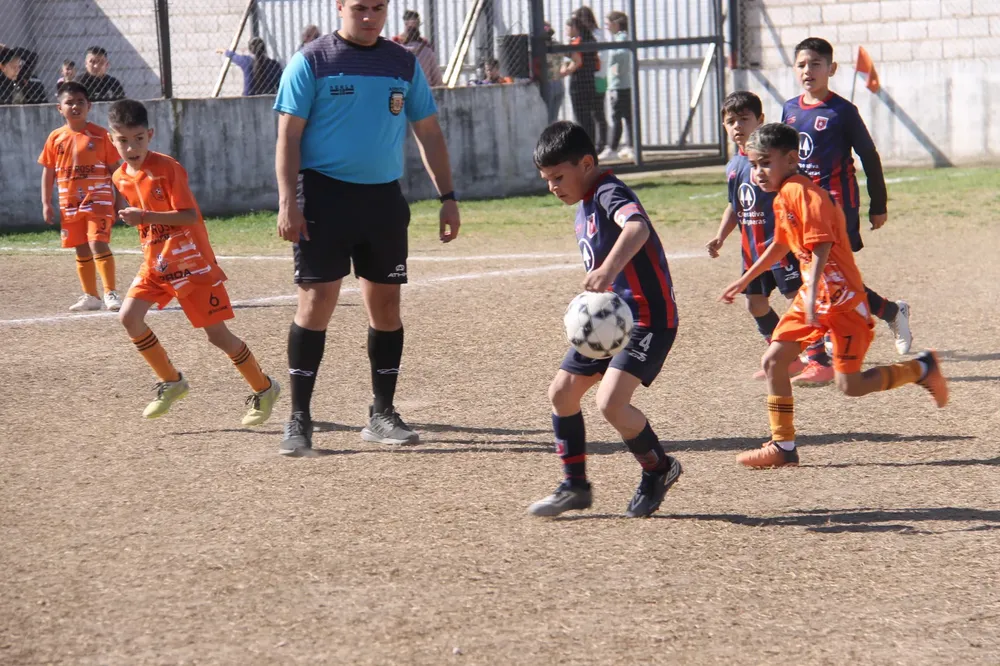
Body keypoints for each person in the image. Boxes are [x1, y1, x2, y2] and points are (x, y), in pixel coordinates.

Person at [273, 0, 461, 456]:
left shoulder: (403, 62)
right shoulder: (311, 60)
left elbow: (429, 133)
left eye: (378, 7)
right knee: (317, 302)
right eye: (359, 7)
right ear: (340, 6)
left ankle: (382, 413)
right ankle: (299, 418)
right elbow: (289, 136)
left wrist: (448, 197)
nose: (369, 15)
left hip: (382, 199)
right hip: (322, 196)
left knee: (387, 305)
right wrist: (286, 203)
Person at [719, 123, 948, 468]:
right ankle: (783, 446)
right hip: (815, 297)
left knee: (851, 386)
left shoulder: (800, 191)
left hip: (842, 301)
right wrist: (746, 278)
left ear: (792, 159)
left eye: (765, 162)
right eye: (753, 164)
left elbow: (822, 241)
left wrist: (810, 299)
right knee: (773, 361)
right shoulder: (783, 195)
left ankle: (921, 368)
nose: (758, 172)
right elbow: (782, 244)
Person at [528, 121, 681, 518]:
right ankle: (574, 485)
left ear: (587, 164)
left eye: (559, 176)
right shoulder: (583, 203)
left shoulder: (609, 191)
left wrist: (609, 270)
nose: (553, 187)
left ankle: (659, 468)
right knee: (562, 393)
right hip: (610, 321)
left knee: (611, 402)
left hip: (648, 318)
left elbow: (637, 227)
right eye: (547, 179)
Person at [107, 99, 281, 423]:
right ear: (111, 139)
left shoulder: (167, 168)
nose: (132, 147)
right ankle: (172, 382)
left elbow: (188, 215)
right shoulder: (120, 177)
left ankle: (265, 387)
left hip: (190, 264)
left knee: (218, 336)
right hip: (156, 263)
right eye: (123, 140)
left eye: (139, 138)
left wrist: (143, 215)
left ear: (151, 134)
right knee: (129, 317)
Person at [781, 37, 911, 387]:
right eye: (802, 65)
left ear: (831, 69)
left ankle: (822, 352)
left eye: (816, 64)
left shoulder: (842, 112)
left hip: (839, 210)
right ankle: (886, 312)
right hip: (804, 212)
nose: (808, 70)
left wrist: (878, 204)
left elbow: (869, 157)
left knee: (831, 276)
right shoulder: (789, 109)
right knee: (826, 277)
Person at [706, 91, 805, 379]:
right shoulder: (734, 166)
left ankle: (816, 356)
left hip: (780, 247)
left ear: (759, 121)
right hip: (751, 249)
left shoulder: (770, 161)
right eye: (730, 121)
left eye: (744, 119)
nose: (737, 126)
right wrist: (720, 236)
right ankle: (786, 356)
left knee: (794, 298)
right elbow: (734, 206)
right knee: (755, 303)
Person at [37, 82, 122, 311]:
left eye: (80, 102)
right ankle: (90, 296)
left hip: (99, 202)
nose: (75, 106)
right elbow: (48, 172)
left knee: (97, 243)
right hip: (70, 204)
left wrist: (120, 200)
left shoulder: (102, 135)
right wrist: (46, 203)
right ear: (59, 108)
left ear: (89, 106)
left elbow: (116, 169)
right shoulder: (55, 138)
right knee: (81, 247)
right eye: (69, 102)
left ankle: (110, 292)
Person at [574, 7, 609, 154]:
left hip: (599, 77)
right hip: (596, 77)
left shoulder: (596, 35)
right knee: (592, 112)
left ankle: (602, 143)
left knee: (598, 112)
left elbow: (602, 57)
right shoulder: (588, 35)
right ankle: (596, 143)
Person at [562, 16, 600, 146]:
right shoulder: (590, 39)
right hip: (590, 81)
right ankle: (592, 143)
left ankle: (585, 145)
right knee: (589, 115)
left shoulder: (577, 42)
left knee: (581, 116)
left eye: (567, 27)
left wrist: (564, 72)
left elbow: (577, 62)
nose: (566, 30)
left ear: (574, 28)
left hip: (578, 83)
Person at [604, 11, 633, 160]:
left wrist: (615, 70)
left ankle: (612, 148)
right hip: (624, 84)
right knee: (628, 117)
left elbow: (620, 55)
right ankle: (630, 146)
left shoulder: (620, 39)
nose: (607, 26)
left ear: (615, 23)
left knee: (617, 117)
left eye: (608, 23)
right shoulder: (621, 38)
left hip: (618, 85)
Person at [392, 10, 443, 87]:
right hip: (423, 90)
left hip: (401, 91)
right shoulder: (426, 48)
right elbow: (437, 79)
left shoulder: (394, 47)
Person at [216, 37, 283, 96]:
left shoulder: (246, 61)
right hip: (269, 98)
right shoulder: (274, 65)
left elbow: (233, 56)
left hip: (248, 98)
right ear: (264, 49)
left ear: (250, 50)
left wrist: (224, 51)